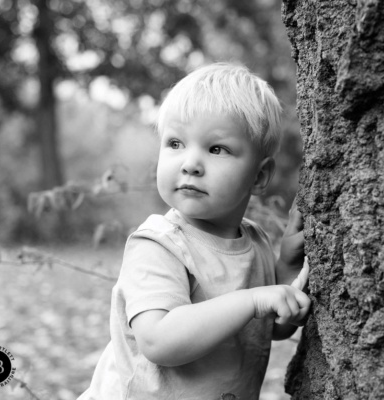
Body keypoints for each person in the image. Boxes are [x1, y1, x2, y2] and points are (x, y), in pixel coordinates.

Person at [78, 63, 310, 400]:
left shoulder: (255, 242)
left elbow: (272, 326)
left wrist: (287, 269)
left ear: (259, 177)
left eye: (217, 149)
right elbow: (158, 340)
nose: (190, 163)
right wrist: (253, 299)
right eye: (175, 143)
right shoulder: (158, 244)